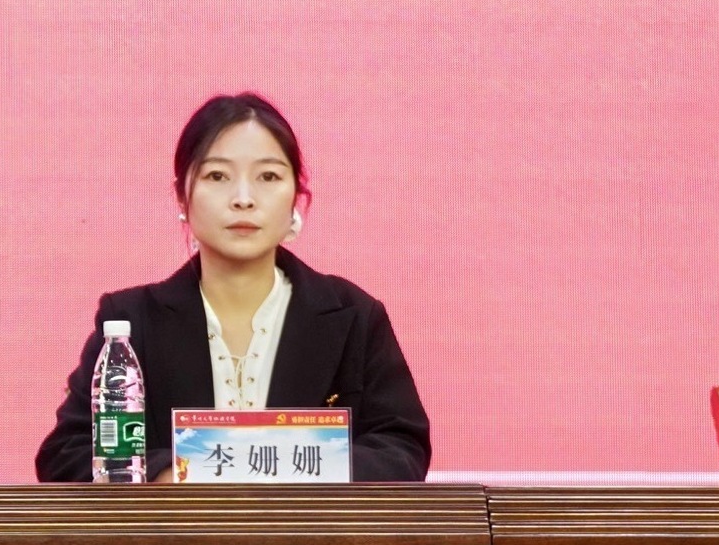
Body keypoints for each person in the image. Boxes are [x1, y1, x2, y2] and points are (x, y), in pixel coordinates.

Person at [35, 92, 431, 483]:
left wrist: (306, 470)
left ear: (296, 198)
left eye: (268, 177)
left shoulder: (354, 317)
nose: (243, 199)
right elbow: (67, 455)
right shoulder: (131, 322)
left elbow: (401, 450)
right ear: (182, 197)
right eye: (217, 176)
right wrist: (165, 476)